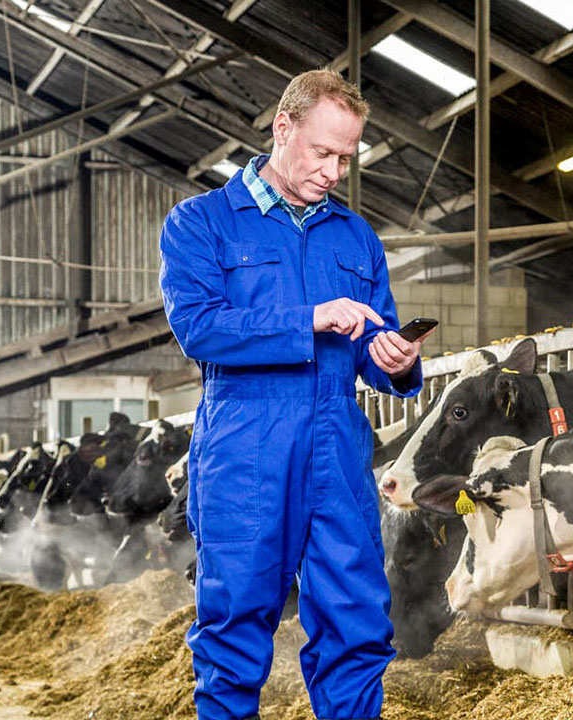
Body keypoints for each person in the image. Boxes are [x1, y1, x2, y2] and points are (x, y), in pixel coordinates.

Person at [158, 69, 429, 720]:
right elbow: (199, 328)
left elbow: (373, 346)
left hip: (336, 446)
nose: (335, 171)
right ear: (284, 128)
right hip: (245, 446)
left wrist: (394, 359)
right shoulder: (203, 224)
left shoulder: (355, 237)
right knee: (235, 626)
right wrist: (307, 318)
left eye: (346, 157)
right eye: (323, 152)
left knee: (357, 625)